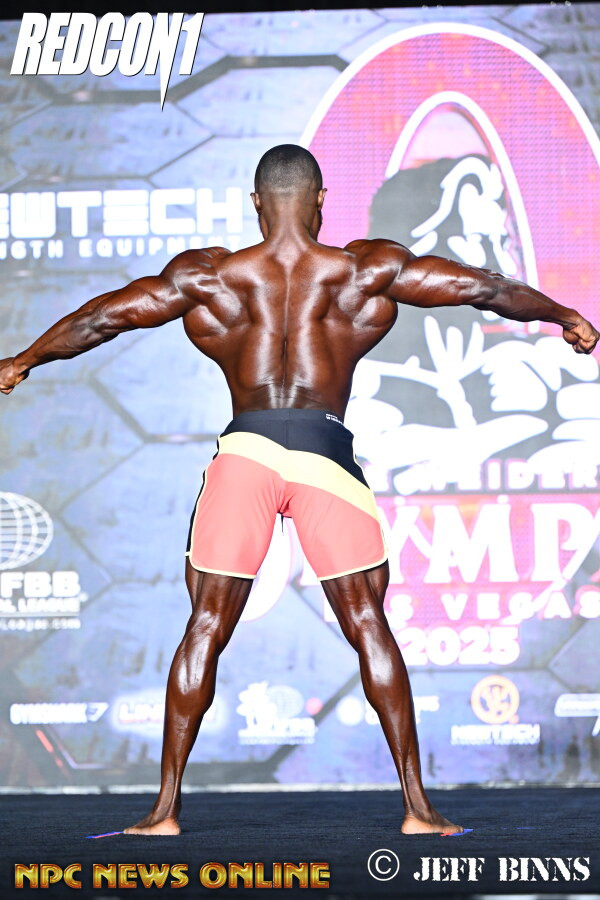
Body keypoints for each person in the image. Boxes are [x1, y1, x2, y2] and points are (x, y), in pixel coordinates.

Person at [0, 145, 597, 837]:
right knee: (368, 623)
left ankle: (163, 812)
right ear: (321, 201)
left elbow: (107, 317)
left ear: (257, 203)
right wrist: (563, 314)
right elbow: (481, 287)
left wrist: (24, 359)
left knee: (204, 626)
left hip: (246, 452)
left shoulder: (209, 277)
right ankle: (418, 809)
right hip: (324, 454)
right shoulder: (365, 269)